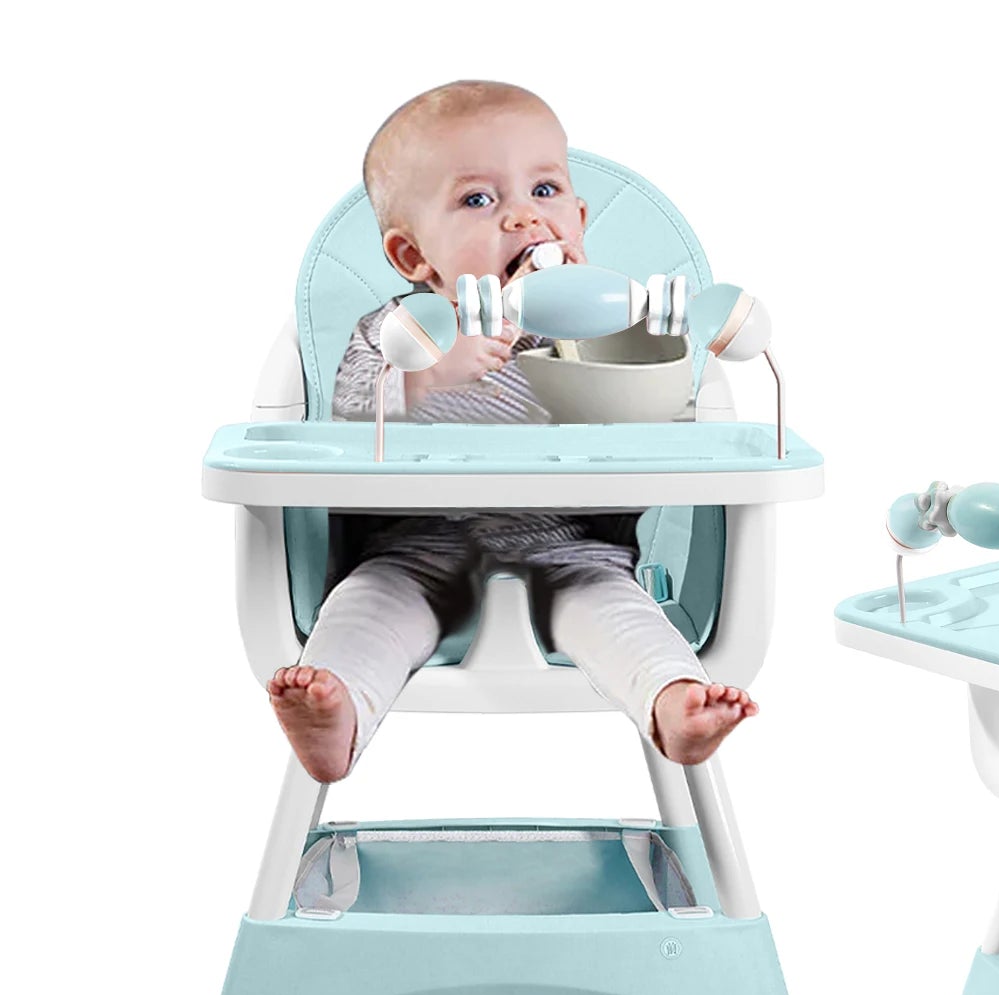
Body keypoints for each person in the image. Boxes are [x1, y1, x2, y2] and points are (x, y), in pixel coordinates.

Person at [269, 80, 756, 782]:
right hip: (413, 547)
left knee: (618, 612)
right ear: (413, 257)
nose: (525, 218)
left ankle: (674, 701)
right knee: (366, 608)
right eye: (478, 200)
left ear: (580, 220)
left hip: (573, 545)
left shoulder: (611, 328)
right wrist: (426, 376)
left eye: (545, 191)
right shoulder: (403, 331)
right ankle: (336, 709)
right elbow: (347, 415)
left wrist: (637, 352)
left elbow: (666, 429)